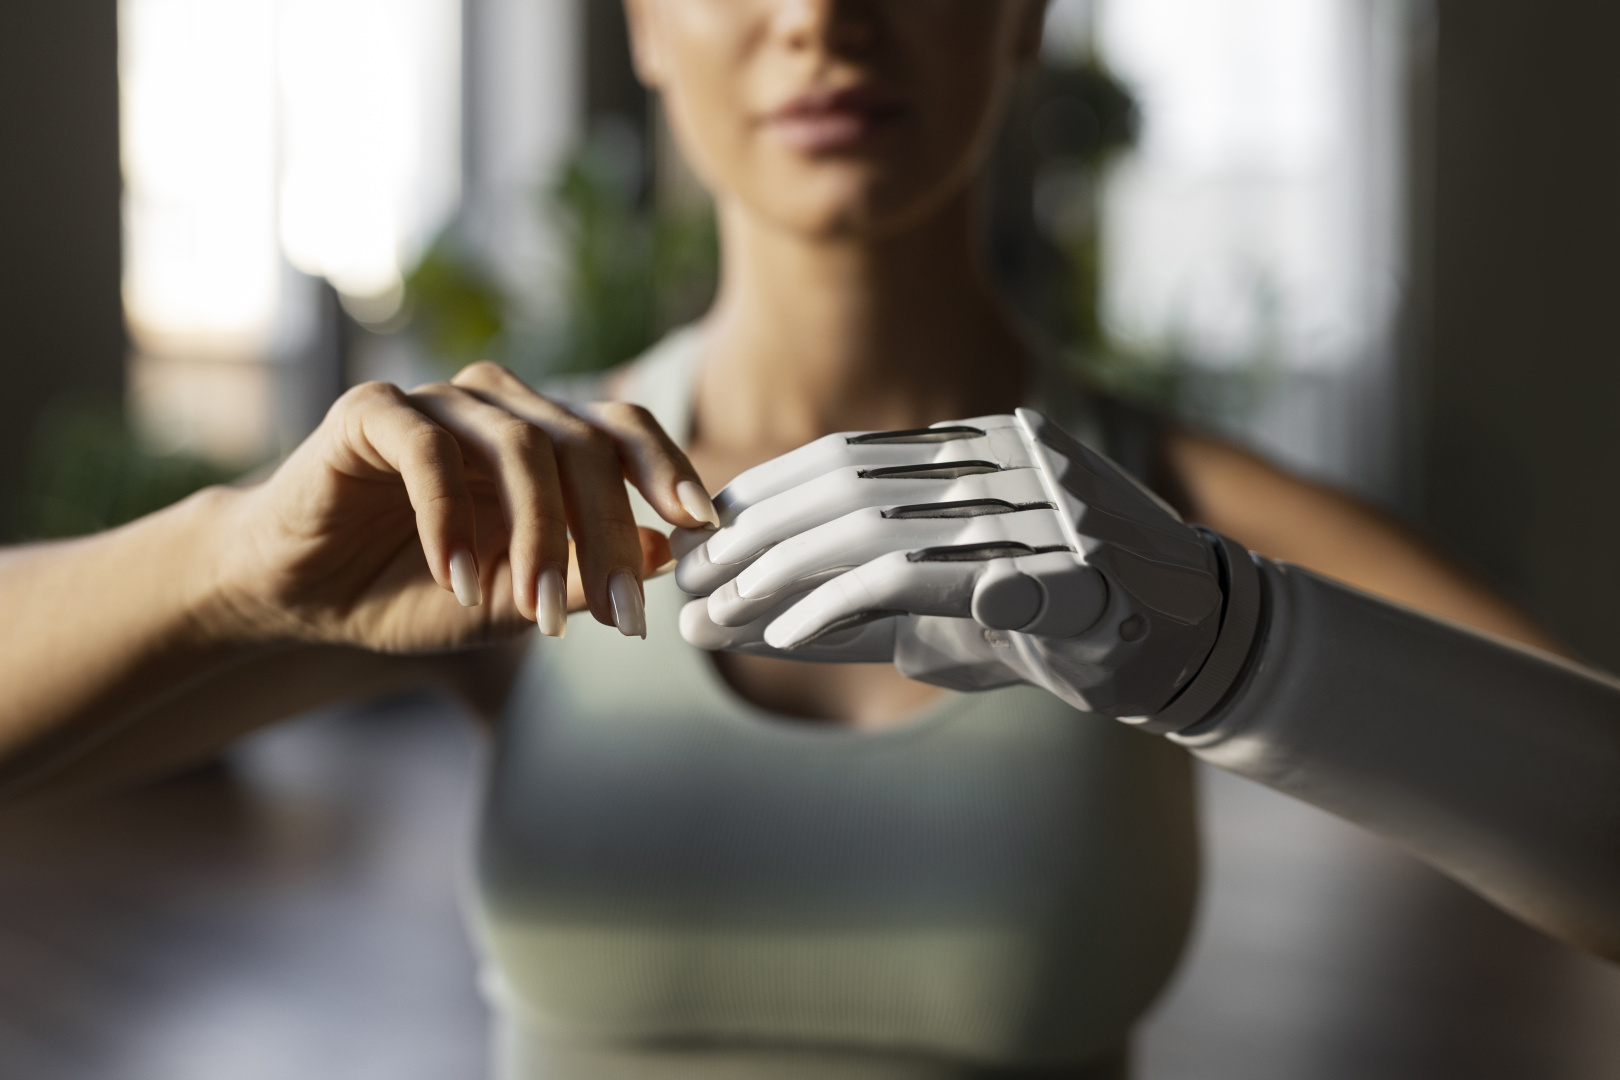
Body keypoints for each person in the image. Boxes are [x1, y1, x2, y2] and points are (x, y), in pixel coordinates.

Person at [0, 2, 1583, 1078]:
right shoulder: (509, 506)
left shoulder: (1179, 523)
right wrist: (223, 562)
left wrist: (1245, 649)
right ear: (642, 23)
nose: (822, 16)